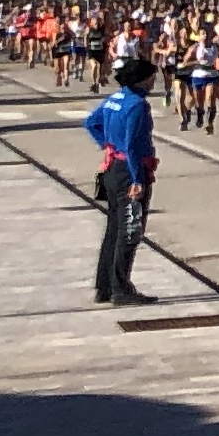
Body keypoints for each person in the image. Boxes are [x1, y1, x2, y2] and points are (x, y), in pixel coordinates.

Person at [87, 53, 159, 305]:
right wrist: (138, 180)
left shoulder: (115, 99)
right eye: (152, 77)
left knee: (113, 229)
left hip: (112, 168)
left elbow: (91, 122)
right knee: (129, 230)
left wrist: (106, 144)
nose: (154, 82)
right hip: (130, 171)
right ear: (142, 80)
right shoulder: (138, 105)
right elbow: (132, 145)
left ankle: (104, 286)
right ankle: (121, 288)